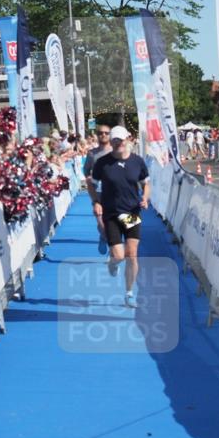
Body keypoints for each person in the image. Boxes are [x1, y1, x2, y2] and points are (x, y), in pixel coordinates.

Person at [87, 126, 150, 308]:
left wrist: (145, 198)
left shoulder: (137, 161)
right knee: (119, 256)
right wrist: (96, 201)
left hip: (131, 213)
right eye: (114, 141)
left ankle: (129, 293)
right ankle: (113, 262)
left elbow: (146, 183)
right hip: (112, 214)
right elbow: (91, 184)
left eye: (120, 140)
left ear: (127, 140)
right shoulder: (103, 163)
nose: (118, 144)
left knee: (132, 255)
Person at [84, 124, 113, 254]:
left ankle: (112, 251)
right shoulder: (92, 153)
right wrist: (90, 179)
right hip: (98, 193)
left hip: (114, 193)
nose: (103, 135)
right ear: (97, 135)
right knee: (102, 223)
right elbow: (86, 171)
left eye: (106, 133)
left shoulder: (115, 151)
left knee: (112, 224)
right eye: (101, 133)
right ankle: (103, 236)